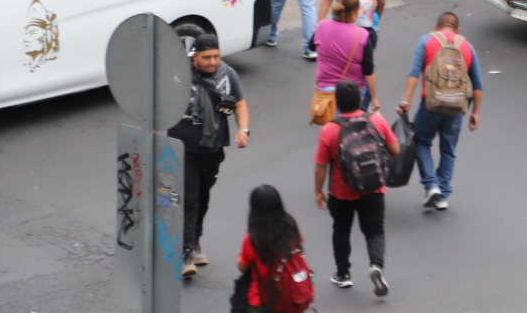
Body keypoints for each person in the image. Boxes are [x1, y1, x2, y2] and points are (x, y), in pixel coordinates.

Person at [168, 34, 250, 278]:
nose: (212, 61)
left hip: (213, 149)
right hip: (183, 148)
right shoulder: (179, 75)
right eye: (206, 57)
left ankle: (195, 241)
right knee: (190, 199)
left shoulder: (228, 74)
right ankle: (184, 255)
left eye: (216, 56)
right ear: (194, 57)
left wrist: (244, 130)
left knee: (203, 198)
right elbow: (161, 103)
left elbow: (240, 105)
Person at [315, 81, 400, 296]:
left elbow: (321, 165)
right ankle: (376, 266)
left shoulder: (329, 130)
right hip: (373, 189)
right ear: (361, 100)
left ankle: (343, 274)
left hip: (341, 192)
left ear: (337, 103)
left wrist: (318, 191)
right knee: (375, 230)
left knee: (341, 231)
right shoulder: (376, 121)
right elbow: (395, 150)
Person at [397, 12, 484, 211]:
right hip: (456, 108)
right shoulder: (467, 47)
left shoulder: (426, 41)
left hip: (430, 104)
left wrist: (406, 101)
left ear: (437, 27)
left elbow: (413, 73)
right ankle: (442, 195)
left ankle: (431, 185)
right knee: (448, 149)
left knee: (421, 142)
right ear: (457, 30)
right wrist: (475, 112)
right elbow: (478, 86)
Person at [235, 185, 305, 313]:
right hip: (288, 295)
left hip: (261, 300)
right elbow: (297, 248)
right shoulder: (290, 226)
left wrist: (239, 258)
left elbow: (242, 267)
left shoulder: (252, 239)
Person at [310, 0, 379, 113]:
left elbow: (311, 46)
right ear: (353, 14)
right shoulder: (362, 35)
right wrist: (374, 98)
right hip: (352, 94)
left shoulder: (322, 26)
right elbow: (368, 71)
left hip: (325, 92)